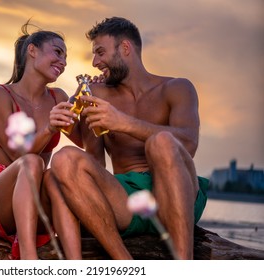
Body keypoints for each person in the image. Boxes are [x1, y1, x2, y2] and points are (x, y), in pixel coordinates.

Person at [50, 17, 208, 260]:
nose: (95, 62)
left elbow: (188, 143)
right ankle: (125, 264)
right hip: (125, 200)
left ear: (125, 48)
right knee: (64, 159)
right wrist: (73, 108)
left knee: (162, 142)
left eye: (101, 52)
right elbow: (94, 163)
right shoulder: (99, 94)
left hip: (177, 195)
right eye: (94, 55)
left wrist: (123, 122)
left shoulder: (177, 88)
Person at [0, 22, 82, 260]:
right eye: (57, 52)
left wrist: (88, 105)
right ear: (32, 51)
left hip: (37, 200)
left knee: (55, 176)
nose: (63, 62)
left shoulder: (58, 97)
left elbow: (88, 146)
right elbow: (17, 155)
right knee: (32, 163)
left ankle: (76, 265)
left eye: (66, 57)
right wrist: (50, 126)